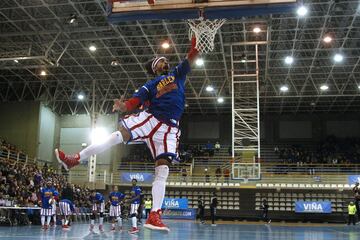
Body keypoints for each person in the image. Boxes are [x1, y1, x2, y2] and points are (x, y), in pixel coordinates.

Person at [54, 35, 199, 232]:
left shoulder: (177, 74)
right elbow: (134, 102)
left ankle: (154, 214)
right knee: (118, 135)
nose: (165, 61)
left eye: (165, 60)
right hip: (152, 118)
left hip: (170, 129)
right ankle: (76, 158)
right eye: (160, 61)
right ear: (155, 69)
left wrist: (195, 47)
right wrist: (124, 105)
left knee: (163, 170)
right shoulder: (151, 84)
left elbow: (190, 58)